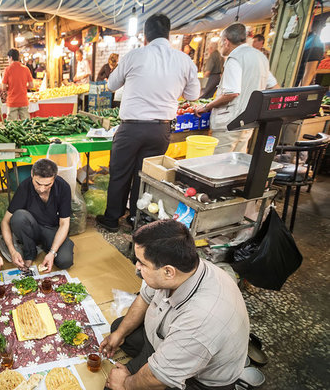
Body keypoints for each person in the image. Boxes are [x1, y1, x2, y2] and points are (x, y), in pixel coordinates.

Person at [100, 220, 249, 390]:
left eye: (142, 263)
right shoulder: (183, 267)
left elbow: (157, 378)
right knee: (120, 330)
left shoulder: (201, 317)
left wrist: (126, 384)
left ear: (168, 272)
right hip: (165, 341)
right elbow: (144, 298)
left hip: (200, 381)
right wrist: (119, 334)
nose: (137, 267)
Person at [96, 14, 200, 233]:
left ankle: (113, 219)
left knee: (120, 172)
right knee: (145, 175)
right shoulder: (183, 60)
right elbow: (193, 94)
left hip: (131, 128)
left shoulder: (135, 56)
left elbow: (111, 85)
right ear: (168, 34)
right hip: (160, 129)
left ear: (145, 35)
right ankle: (136, 217)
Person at [195, 23, 279, 154]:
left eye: (221, 43)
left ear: (226, 41)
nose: (221, 46)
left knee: (219, 164)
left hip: (229, 123)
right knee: (236, 163)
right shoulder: (260, 57)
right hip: (248, 121)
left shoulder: (235, 58)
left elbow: (231, 93)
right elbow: (275, 87)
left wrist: (206, 107)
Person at [0, 158, 74, 273]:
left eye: (47, 184)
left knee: (65, 261)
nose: (42, 189)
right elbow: (5, 221)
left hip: (52, 230)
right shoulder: (24, 187)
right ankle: (30, 252)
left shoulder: (63, 187)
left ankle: (46, 246)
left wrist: (52, 253)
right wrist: (12, 251)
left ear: (54, 178)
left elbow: (64, 223)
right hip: (32, 228)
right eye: (38, 183)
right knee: (19, 216)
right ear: (32, 175)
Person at [2, 48, 34, 121]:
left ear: (11, 58)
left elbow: (3, 87)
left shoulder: (8, 69)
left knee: (12, 126)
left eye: (8, 59)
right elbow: (31, 85)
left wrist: (10, 87)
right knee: (26, 124)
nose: (8, 61)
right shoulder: (26, 69)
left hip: (12, 101)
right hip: (23, 101)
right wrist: (22, 87)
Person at [296, 16, 326, 86]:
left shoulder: (314, 41)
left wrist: (298, 92)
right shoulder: (303, 40)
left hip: (298, 87)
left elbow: (310, 72)